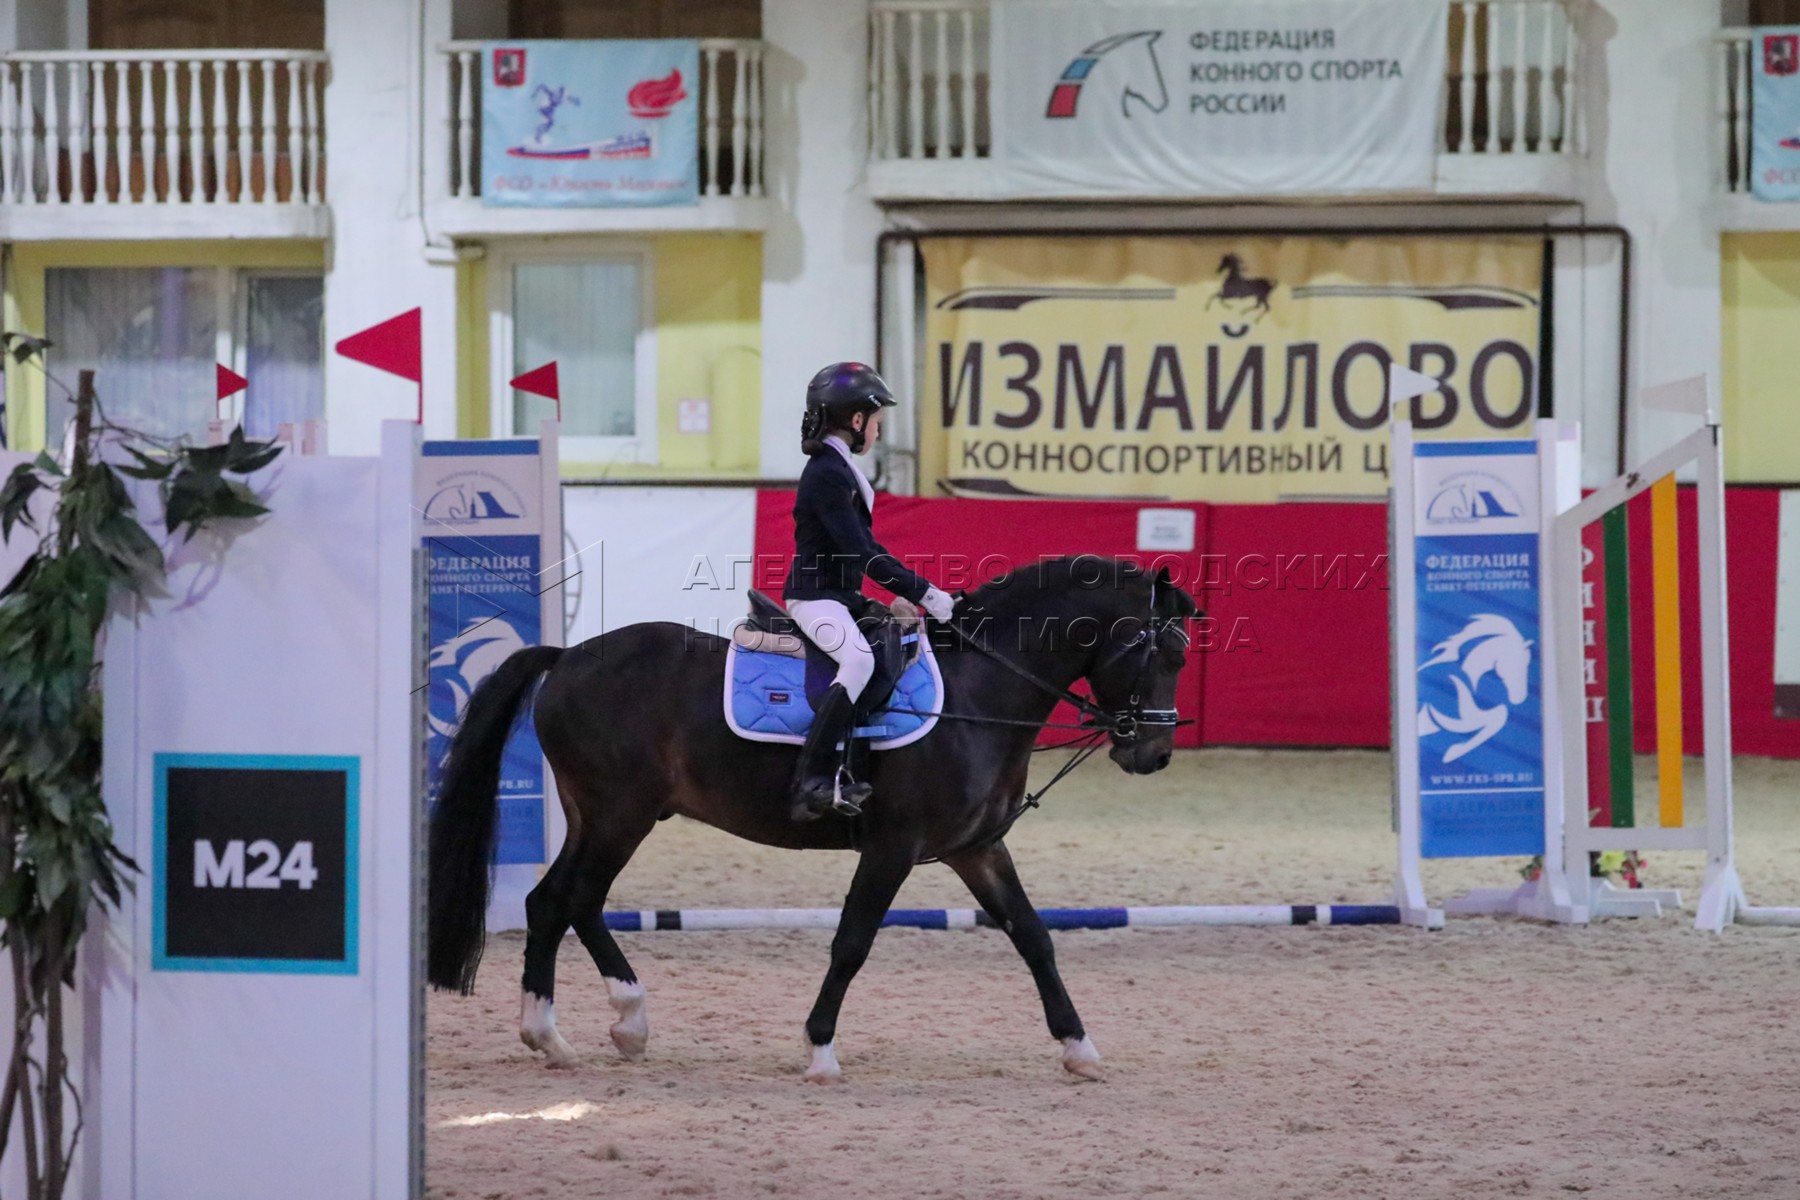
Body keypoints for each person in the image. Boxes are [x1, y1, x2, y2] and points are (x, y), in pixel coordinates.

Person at [784, 362, 956, 821]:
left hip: (840, 596)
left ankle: (862, 761)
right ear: (858, 420)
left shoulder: (839, 469)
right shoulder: (826, 473)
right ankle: (813, 781)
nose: (877, 433)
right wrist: (929, 594)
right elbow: (863, 552)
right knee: (857, 660)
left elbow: (862, 552)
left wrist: (897, 598)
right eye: (877, 423)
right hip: (814, 598)